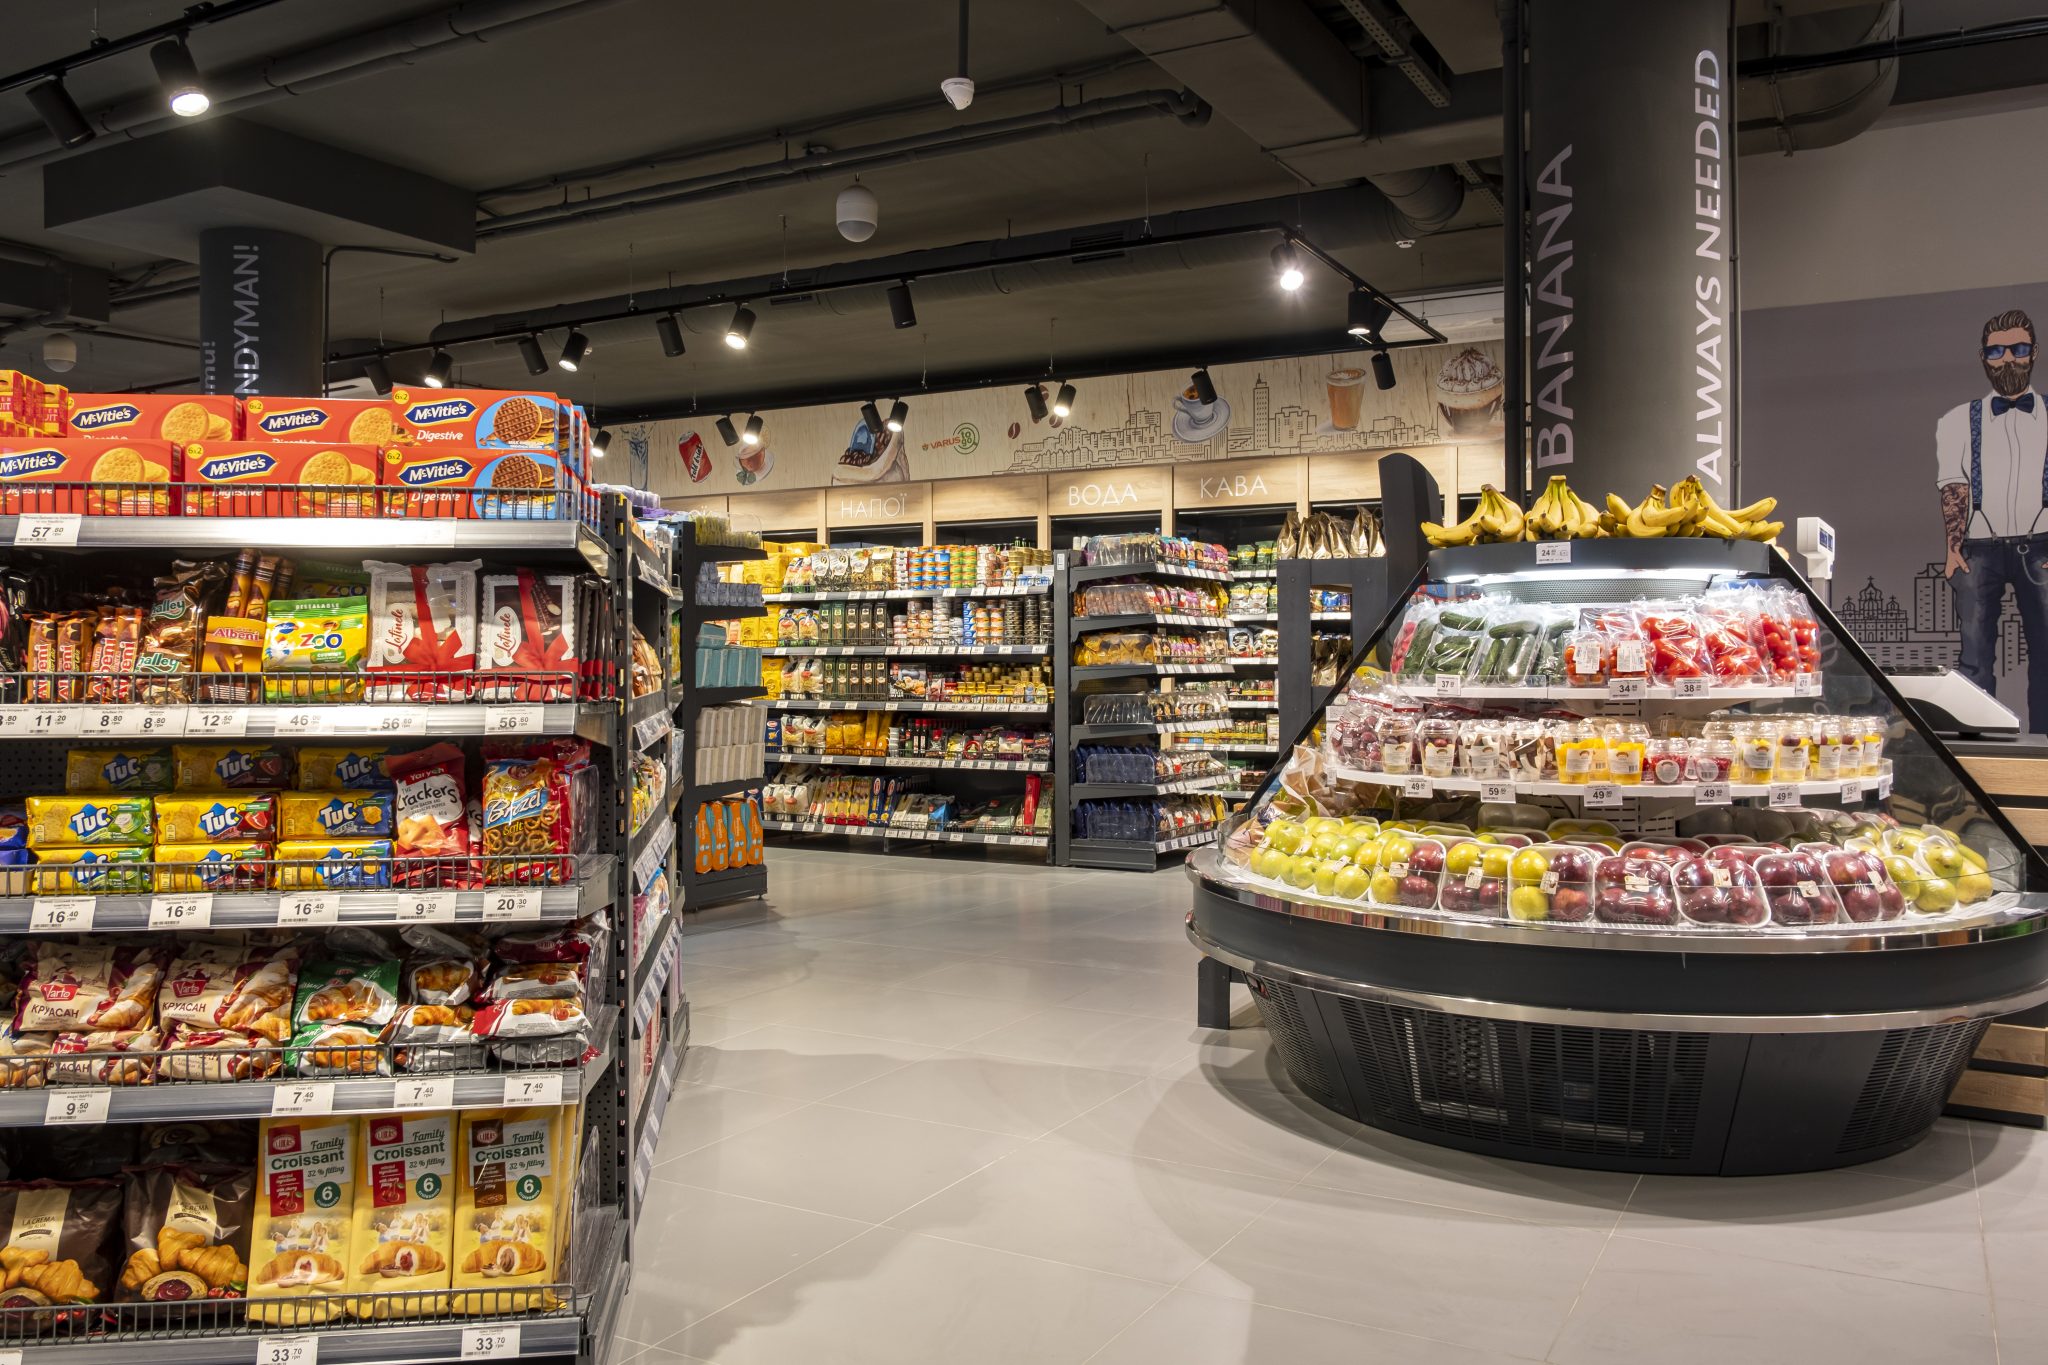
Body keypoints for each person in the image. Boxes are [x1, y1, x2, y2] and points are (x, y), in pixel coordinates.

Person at [1938, 308, 2048, 726]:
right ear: (1984, 357)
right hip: (1978, 549)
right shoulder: (1955, 421)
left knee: (2047, 655)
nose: (2008, 359)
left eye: (2017, 348)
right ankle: (1977, 741)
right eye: (1996, 351)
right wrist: (1953, 547)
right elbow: (1954, 488)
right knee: (1975, 657)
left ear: (2033, 352)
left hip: (2043, 546)